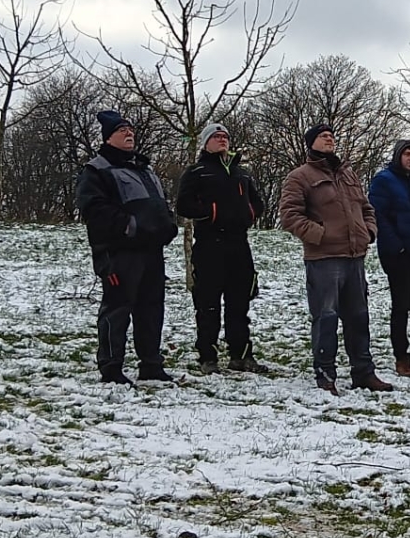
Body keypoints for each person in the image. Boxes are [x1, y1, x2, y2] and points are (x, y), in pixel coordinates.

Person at [279, 124, 393, 394]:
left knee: (358, 317)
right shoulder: (299, 177)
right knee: (325, 317)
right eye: (323, 136)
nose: (329, 139)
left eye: (331, 136)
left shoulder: (348, 174)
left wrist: (369, 231)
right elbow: (290, 216)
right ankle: (325, 373)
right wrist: (320, 235)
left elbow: (366, 208)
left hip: (355, 257)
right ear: (311, 143)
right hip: (323, 259)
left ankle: (364, 372)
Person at [75, 110, 179, 385]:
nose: (129, 133)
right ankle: (111, 367)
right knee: (117, 309)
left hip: (152, 252)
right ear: (108, 137)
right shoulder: (96, 170)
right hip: (118, 253)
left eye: (131, 129)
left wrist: (168, 224)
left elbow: (159, 204)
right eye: (122, 130)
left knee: (151, 309)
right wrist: (130, 226)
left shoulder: (145, 169)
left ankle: (151, 364)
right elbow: (94, 211)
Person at [173, 124, 268, 375]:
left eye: (225, 136)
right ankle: (208, 357)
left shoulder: (241, 173)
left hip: (239, 244)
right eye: (216, 137)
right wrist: (210, 213)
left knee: (240, 303)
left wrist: (249, 213)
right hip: (209, 245)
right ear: (206, 143)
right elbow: (183, 205)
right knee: (208, 304)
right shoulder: (196, 172)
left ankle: (241, 355)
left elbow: (257, 203)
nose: (222, 140)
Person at [368, 139, 410, 377]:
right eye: (407, 154)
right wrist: (396, 246)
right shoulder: (384, 180)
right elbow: (379, 215)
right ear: (398, 156)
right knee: (401, 306)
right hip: (398, 253)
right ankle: (402, 357)